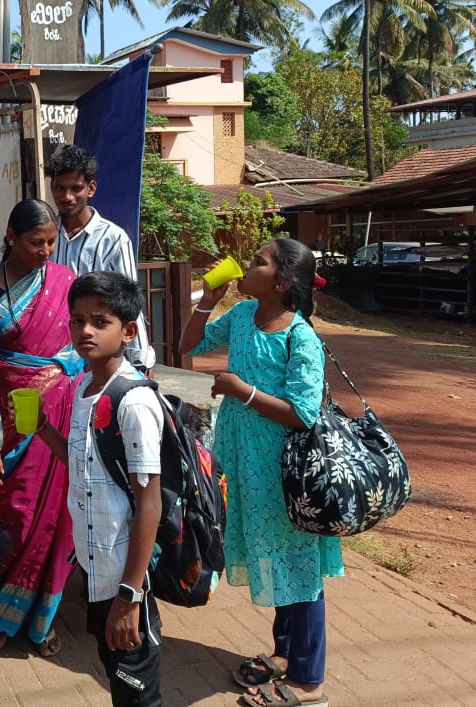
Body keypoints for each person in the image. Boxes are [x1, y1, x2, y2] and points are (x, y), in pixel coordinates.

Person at [178, 239, 341, 707]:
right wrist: (207, 302)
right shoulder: (244, 316)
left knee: (299, 566)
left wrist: (242, 391)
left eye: (257, 261)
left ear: (283, 281)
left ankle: (310, 684)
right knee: (279, 559)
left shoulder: (300, 337)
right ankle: (286, 655)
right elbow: (189, 343)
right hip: (246, 463)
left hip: (283, 472)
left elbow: (304, 413)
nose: (246, 266)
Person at [35, 271, 164, 707]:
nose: (85, 330)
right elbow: (84, 464)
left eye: (100, 321)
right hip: (96, 570)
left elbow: (150, 503)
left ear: (128, 331)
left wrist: (129, 598)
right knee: (118, 680)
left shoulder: (135, 402)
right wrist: (42, 430)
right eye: (77, 320)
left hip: (125, 582)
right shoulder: (85, 388)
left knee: (137, 693)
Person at [0, 199, 82, 657]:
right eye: (37, 241)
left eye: (52, 241)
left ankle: (40, 617)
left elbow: (80, 341)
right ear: (11, 236)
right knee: (14, 508)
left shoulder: (65, 282)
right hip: (13, 413)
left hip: (61, 413)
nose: (47, 251)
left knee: (59, 517)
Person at [45, 145, 155, 371]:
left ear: (91, 188)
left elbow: (130, 303)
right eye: (60, 188)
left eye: (76, 189)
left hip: (98, 358)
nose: (67, 197)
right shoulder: (45, 236)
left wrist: (140, 363)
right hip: (52, 359)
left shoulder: (112, 239)